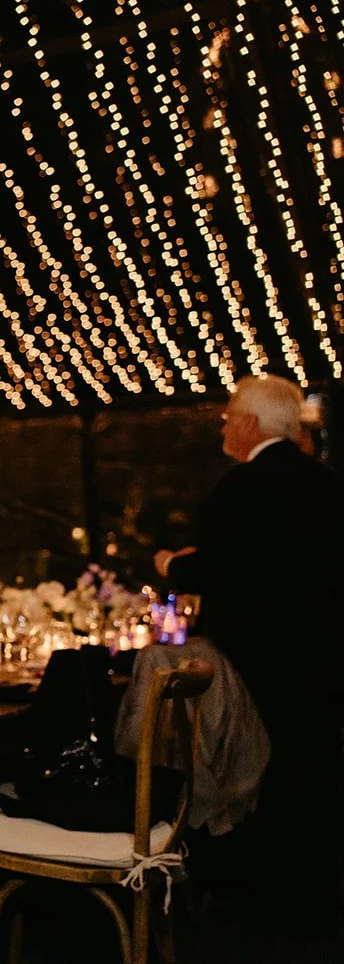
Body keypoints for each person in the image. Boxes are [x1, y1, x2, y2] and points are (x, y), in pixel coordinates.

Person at [155, 374, 344, 934]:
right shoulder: (326, 484)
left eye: (229, 414)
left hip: (259, 665)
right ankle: (314, 907)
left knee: (260, 779)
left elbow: (216, 570)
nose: (223, 423)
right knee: (311, 780)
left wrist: (170, 565)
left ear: (251, 425)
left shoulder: (242, 488)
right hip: (323, 663)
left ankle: (261, 912)